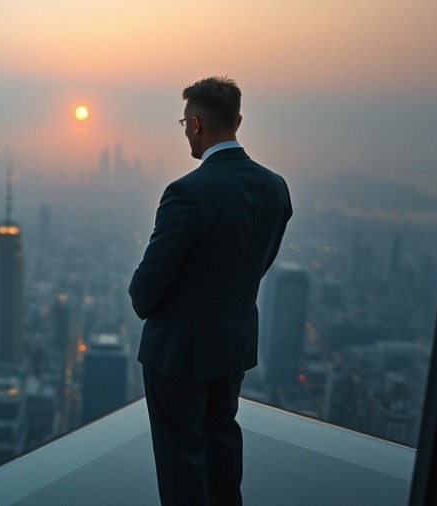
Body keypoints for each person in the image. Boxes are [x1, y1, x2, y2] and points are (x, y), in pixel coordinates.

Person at [129, 76, 292, 505]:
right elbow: (258, 264)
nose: (184, 130)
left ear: (196, 124)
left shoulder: (188, 192)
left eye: (184, 122)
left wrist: (141, 298)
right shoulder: (276, 188)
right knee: (223, 448)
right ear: (237, 120)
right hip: (232, 344)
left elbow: (150, 283)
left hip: (179, 352)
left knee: (181, 461)